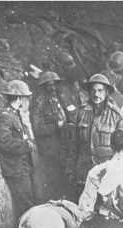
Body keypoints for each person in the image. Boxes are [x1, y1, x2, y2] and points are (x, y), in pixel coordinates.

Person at [66, 73, 123, 199]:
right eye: (93, 90)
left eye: (100, 90)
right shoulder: (82, 112)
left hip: (106, 172)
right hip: (84, 170)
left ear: (106, 92)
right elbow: (75, 144)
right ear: (89, 92)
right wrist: (70, 170)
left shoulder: (116, 115)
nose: (96, 94)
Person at [0, 80, 36, 219]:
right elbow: (4, 141)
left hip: (22, 165)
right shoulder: (5, 115)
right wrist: (26, 145)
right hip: (15, 168)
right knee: (26, 204)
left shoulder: (13, 113)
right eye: (25, 97)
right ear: (20, 98)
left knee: (30, 199)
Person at [30, 71, 73, 202]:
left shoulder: (62, 98)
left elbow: (72, 115)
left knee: (66, 180)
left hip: (64, 147)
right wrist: (56, 126)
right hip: (49, 151)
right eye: (48, 85)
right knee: (52, 183)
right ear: (43, 87)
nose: (52, 88)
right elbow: (37, 129)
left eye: (55, 84)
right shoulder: (39, 103)